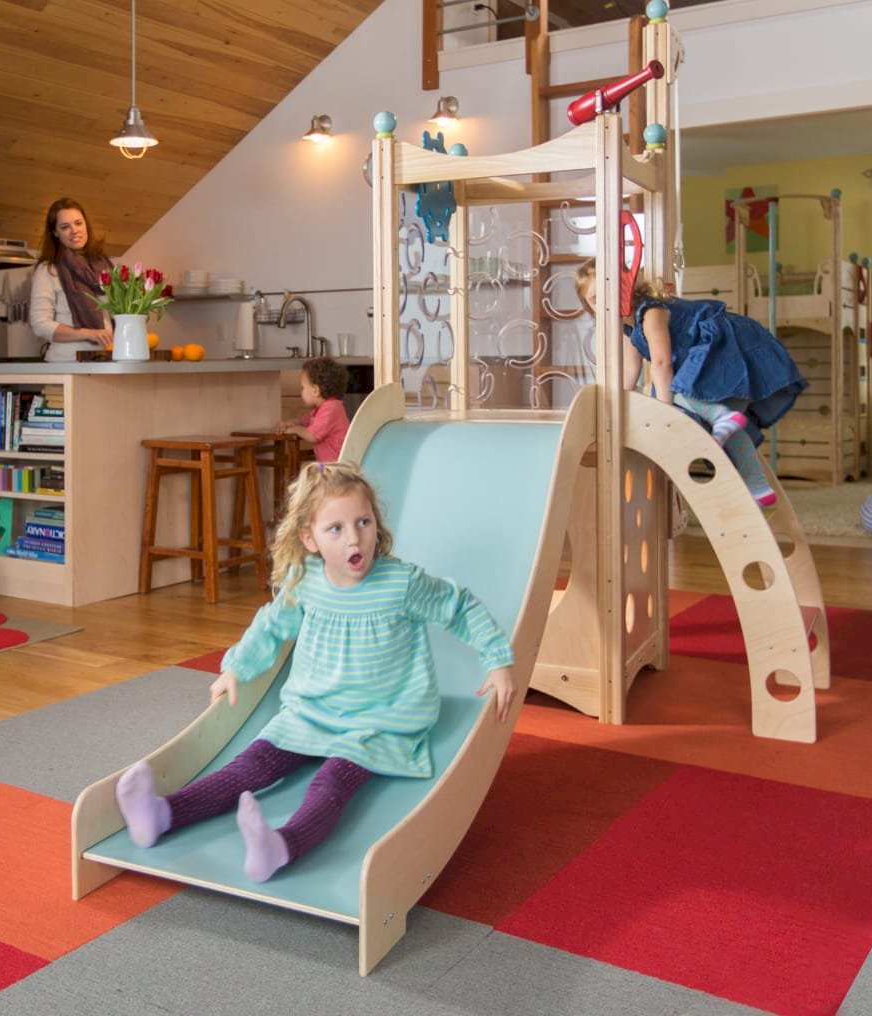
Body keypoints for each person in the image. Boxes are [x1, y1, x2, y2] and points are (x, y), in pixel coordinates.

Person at [115, 461, 516, 883]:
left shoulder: (401, 584)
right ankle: (163, 814)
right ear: (309, 538)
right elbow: (271, 626)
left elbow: (460, 606)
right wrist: (235, 668)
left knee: (330, 784)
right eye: (335, 529)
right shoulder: (305, 581)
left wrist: (498, 660)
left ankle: (281, 846)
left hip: (378, 722)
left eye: (363, 522)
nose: (354, 538)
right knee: (247, 765)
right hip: (311, 712)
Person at [576, 259, 808, 507]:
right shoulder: (629, 327)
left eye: (610, 293)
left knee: (672, 389)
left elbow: (662, 363)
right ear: (589, 307)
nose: (605, 304)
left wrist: (663, 411)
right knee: (731, 432)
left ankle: (719, 414)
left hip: (725, 351)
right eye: (595, 300)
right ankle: (758, 487)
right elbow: (631, 369)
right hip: (708, 361)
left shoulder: (650, 313)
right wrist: (617, 401)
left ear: (626, 288)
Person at [29, 198, 114, 362]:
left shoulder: (104, 266)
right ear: (55, 233)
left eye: (78, 223)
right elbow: (40, 325)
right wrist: (88, 333)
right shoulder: (48, 270)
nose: (74, 231)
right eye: (65, 227)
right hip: (67, 363)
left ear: (86, 225)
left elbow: (118, 315)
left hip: (106, 360)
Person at [274, 356, 350, 462]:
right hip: (330, 465)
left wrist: (295, 429)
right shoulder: (321, 409)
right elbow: (302, 421)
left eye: (303, 388)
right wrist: (286, 424)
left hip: (338, 466)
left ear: (315, 391)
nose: (301, 392)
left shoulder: (331, 409)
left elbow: (312, 435)